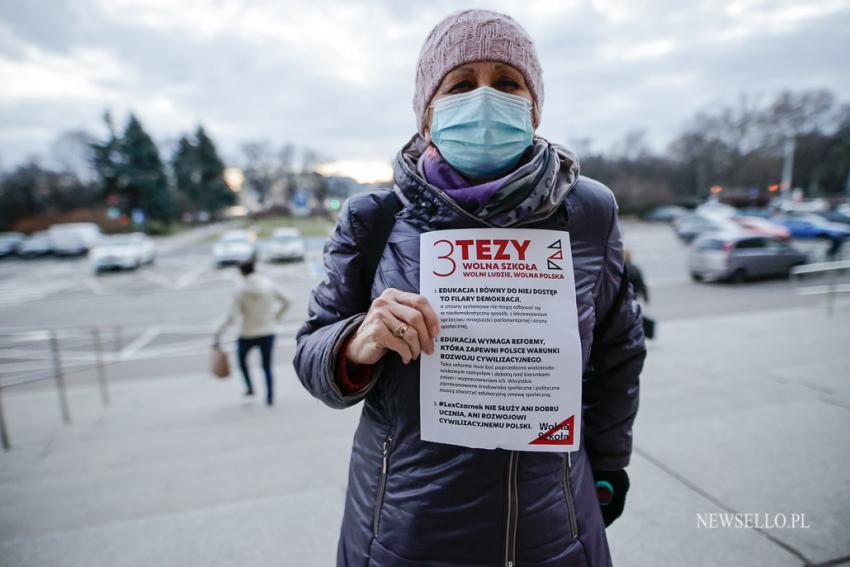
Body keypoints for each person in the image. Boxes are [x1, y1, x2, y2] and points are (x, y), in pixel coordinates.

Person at [295, 9, 645, 566]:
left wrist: (607, 464)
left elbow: (618, 350)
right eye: (461, 84)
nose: (486, 99)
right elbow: (310, 351)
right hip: (405, 526)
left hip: (554, 524)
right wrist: (356, 341)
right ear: (427, 115)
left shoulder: (588, 212)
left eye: (507, 82)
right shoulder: (374, 218)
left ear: (533, 106)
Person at [214, 257, 289, 406]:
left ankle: (249, 388)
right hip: (268, 331)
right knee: (266, 366)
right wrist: (275, 317)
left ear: (241, 272)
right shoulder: (268, 285)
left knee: (242, 363)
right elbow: (287, 300)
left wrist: (217, 333)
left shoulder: (240, 291)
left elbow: (231, 316)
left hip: (246, 333)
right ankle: (270, 396)